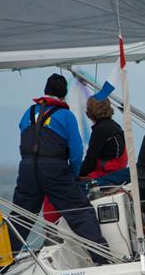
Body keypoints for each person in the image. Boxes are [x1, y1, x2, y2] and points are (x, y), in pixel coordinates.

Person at [9, 73, 108, 264]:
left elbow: (23, 136)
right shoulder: (66, 115)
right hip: (54, 168)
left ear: (45, 91)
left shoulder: (28, 113)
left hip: (27, 169)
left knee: (21, 216)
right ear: (64, 95)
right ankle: (102, 258)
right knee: (80, 212)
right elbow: (76, 152)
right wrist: (73, 176)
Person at [41, 97, 127, 224]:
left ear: (90, 112)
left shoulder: (100, 130)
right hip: (115, 170)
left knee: (60, 187)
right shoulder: (114, 126)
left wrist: (73, 175)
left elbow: (89, 163)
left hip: (107, 173)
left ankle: (52, 227)